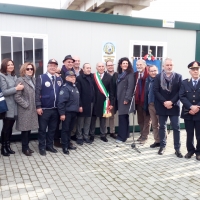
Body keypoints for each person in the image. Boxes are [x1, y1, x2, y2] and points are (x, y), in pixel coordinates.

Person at [154, 58, 183, 157]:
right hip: (162, 106)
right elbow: (156, 91)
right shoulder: (158, 77)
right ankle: (162, 146)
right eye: (167, 65)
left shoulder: (178, 77)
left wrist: (171, 102)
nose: (169, 67)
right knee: (162, 127)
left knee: (176, 127)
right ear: (163, 66)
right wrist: (164, 102)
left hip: (174, 106)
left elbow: (180, 92)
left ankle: (177, 149)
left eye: (171, 65)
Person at [35, 59, 63, 156]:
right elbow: (37, 92)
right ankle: (42, 147)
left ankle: (49, 146)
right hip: (44, 109)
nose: (53, 67)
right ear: (47, 67)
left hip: (55, 109)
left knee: (52, 129)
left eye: (54, 66)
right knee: (42, 129)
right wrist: (38, 106)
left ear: (56, 68)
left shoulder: (59, 79)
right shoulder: (41, 77)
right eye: (51, 65)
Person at [0, 58, 24, 157]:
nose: (10, 66)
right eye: (8, 64)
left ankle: (8, 146)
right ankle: (3, 148)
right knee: (6, 127)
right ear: (4, 66)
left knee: (10, 128)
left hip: (15, 105)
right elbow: (4, 92)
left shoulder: (14, 76)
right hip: (7, 105)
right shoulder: (1, 76)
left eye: (12, 64)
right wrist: (16, 88)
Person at [14, 62, 38, 156]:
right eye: (28, 69)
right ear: (24, 70)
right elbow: (17, 97)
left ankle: (27, 146)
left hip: (33, 109)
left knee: (29, 129)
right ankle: (25, 148)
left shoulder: (34, 80)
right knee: (25, 129)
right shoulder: (20, 80)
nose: (30, 71)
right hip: (25, 109)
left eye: (31, 69)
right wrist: (26, 105)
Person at [179, 61, 200, 161]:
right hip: (188, 112)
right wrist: (191, 107)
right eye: (193, 70)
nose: (195, 71)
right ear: (190, 71)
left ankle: (199, 152)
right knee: (189, 133)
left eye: (197, 69)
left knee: (199, 134)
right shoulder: (184, 82)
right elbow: (182, 96)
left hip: (199, 112)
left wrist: (197, 107)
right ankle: (190, 150)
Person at [58, 71, 80, 154]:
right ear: (66, 78)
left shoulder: (74, 86)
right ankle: (65, 146)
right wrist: (62, 114)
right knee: (65, 130)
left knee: (70, 129)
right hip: (67, 113)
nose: (73, 78)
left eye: (74, 77)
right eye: (71, 77)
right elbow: (61, 102)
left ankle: (68, 143)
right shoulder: (65, 87)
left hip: (74, 112)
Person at [90, 62, 113, 142]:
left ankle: (103, 135)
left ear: (105, 67)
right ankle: (91, 134)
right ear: (96, 68)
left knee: (103, 119)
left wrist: (112, 103)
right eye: (99, 66)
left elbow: (112, 91)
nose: (101, 68)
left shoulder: (109, 77)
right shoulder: (93, 76)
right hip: (94, 101)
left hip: (104, 102)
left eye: (102, 66)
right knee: (93, 119)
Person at [115, 57, 134, 143]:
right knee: (125, 117)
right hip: (119, 98)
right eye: (124, 63)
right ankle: (126, 134)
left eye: (127, 63)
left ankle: (121, 137)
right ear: (120, 65)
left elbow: (130, 87)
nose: (125, 65)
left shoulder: (130, 74)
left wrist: (127, 98)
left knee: (122, 117)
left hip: (125, 99)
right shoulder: (119, 74)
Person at [76, 63, 94, 145]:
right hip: (83, 103)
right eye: (87, 68)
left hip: (91, 103)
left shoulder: (92, 77)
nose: (89, 69)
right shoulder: (79, 78)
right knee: (80, 121)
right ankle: (79, 137)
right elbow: (78, 93)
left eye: (90, 68)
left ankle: (86, 136)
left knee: (88, 121)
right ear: (83, 69)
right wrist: (79, 105)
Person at [134, 59, 151, 144]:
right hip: (138, 101)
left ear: (144, 65)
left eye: (140, 65)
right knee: (140, 119)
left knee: (147, 120)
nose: (139, 66)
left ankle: (145, 136)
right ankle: (142, 134)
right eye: (137, 65)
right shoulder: (136, 75)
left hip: (146, 100)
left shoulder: (148, 74)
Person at [144, 65, 160, 148]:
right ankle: (157, 141)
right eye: (151, 71)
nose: (153, 72)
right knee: (154, 124)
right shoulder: (148, 80)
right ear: (149, 72)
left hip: (159, 105)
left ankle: (163, 141)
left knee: (161, 124)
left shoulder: (160, 79)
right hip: (151, 104)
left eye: (155, 70)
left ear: (157, 71)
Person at [106, 60, 117, 139]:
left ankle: (112, 131)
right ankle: (104, 131)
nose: (110, 66)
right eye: (108, 65)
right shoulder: (104, 75)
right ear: (106, 66)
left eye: (111, 65)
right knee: (105, 115)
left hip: (114, 98)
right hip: (106, 98)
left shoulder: (117, 75)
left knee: (112, 116)